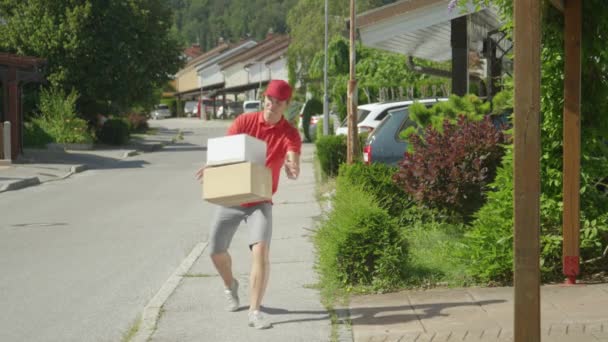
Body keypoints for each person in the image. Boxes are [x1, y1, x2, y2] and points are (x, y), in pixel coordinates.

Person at [195, 79, 302, 329]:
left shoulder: (290, 132)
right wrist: (212, 165)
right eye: (270, 100)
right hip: (232, 197)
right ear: (264, 98)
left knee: (261, 252)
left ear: (286, 105)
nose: (272, 105)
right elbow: (226, 151)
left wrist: (292, 165)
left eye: (278, 102)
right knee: (215, 251)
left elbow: (292, 154)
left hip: (260, 201)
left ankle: (254, 311)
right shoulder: (245, 122)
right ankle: (230, 285)